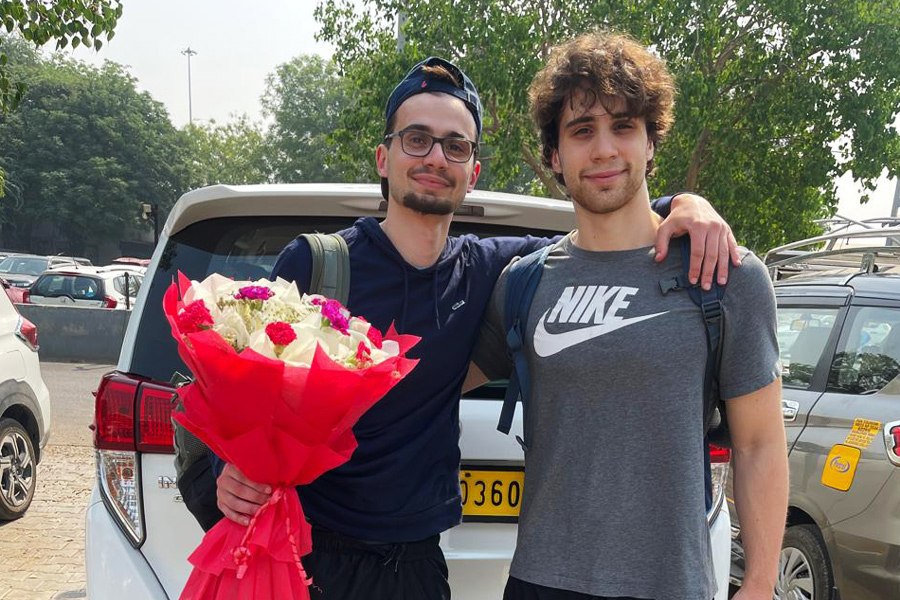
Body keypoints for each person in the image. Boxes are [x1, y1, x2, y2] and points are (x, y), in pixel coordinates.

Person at [181, 56, 742, 599]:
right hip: (308, 552)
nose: (435, 157)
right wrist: (225, 471)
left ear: (472, 172)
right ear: (383, 157)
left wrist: (682, 204)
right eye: (417, 139)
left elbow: (605, 229)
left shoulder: (494, 269)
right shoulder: (318, 264)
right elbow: (231, 387)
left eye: (455, 146)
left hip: (417, 567)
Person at [467, 31, 789, 600]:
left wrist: (760, 584)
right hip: (540, 580)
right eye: (581, 130)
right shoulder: (523, 283)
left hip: (670, 583)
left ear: (650, 143)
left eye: (622, 126)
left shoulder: (725, 276)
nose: (603, 150)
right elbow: (430, 389)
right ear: (554, 156)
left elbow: (760, 443)